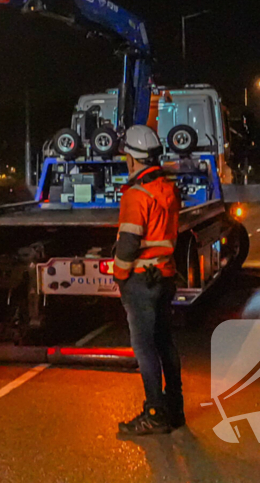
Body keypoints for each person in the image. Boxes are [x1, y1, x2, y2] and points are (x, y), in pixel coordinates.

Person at [113, 125, 184, 436]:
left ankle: (154, 413)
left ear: (131, 158)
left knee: (144, 349)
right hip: (165, 275)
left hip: (141, 280)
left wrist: (119, 275)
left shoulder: (135, 195)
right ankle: (175, 409)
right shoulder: (167, 188)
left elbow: (128, 243)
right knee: (165, 343)